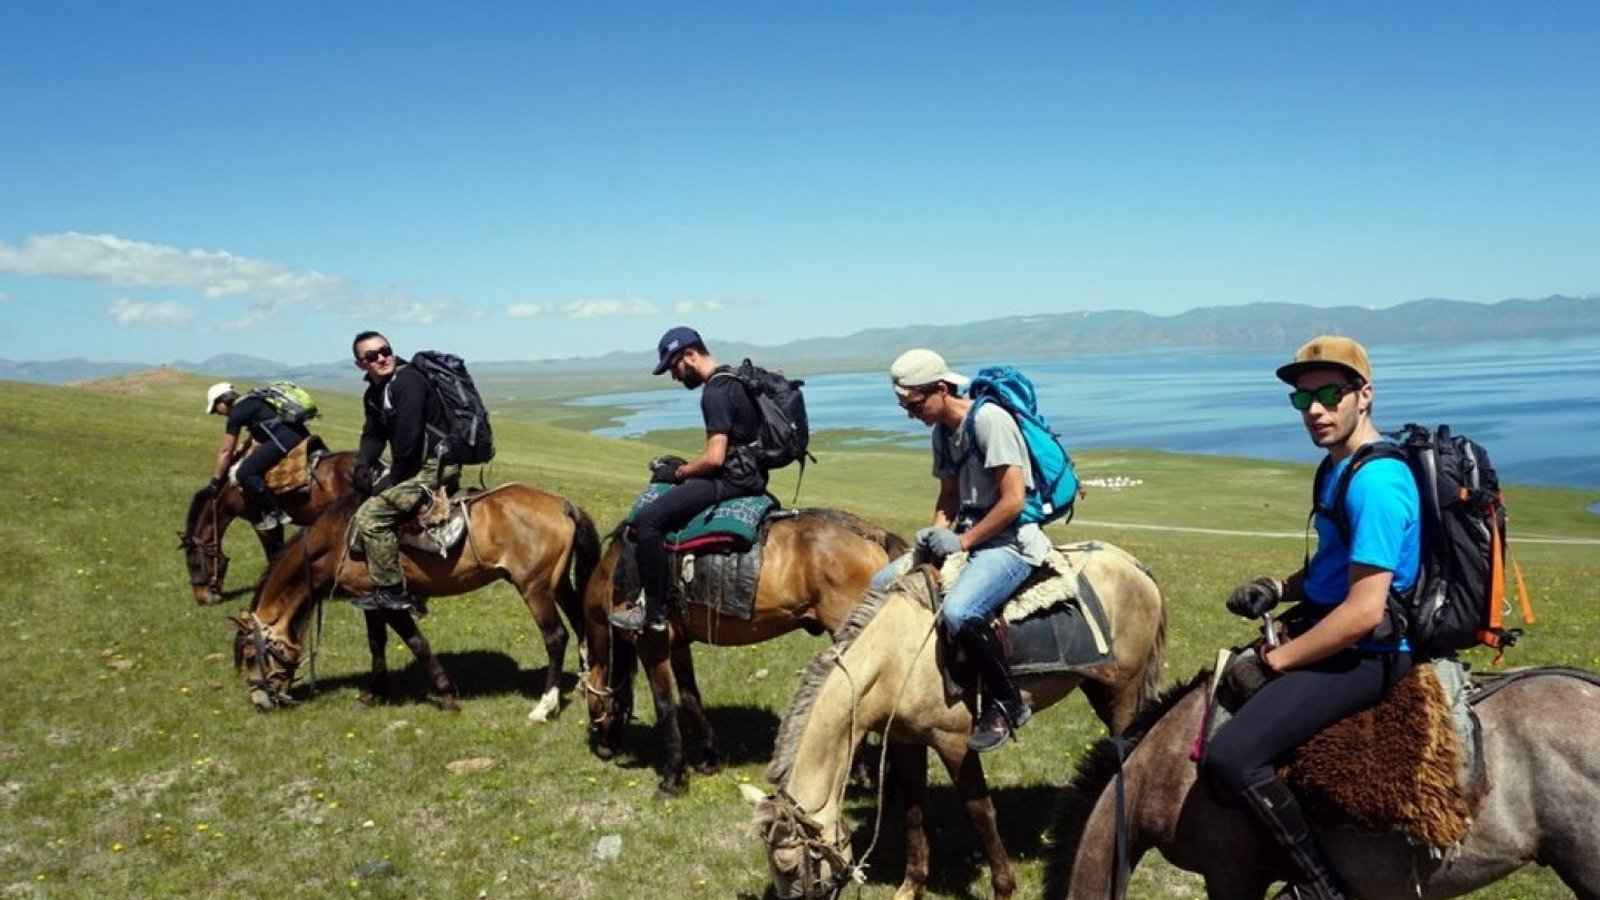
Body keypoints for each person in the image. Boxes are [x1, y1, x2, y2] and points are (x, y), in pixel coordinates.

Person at [1200, 335, 1420, 900]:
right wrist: (1277, 587)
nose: (1316, 411)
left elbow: (1365, 612)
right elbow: (1331, 569)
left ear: (1364, 395)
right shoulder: (1336, 469)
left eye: (1329, 394)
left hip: (1368, 655)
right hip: (1334, 627)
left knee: (1230, 756)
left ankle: (1319, 887)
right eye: (1303, 400)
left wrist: (1280, 660)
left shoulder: (1375, 482)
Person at [889, 348, 1050, 753]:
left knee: (961, 611)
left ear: (940, 389)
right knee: (883, 582)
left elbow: (1013, 501)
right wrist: (934, 535)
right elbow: (948, 496)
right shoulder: (942, 432)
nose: (910, 414)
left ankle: (1008, 702)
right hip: (970, 532)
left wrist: (961, 542)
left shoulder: (990, 422)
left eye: (914, 403)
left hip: (1011, 541)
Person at [608, 326, 768, 633]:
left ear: (690, 355)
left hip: (732, 480)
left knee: (649, 522)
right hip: (752, 474)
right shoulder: (737, 380)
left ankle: (653, 613)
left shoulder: (715, 392)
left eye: (674, 367)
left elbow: (715, 458)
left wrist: (678, 472)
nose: (675, 376)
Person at [349, 331, 458, 615]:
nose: (382, 358)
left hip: (436, 464)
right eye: (372, 356)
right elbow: (373, 435)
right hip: (415, 463)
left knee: (370, 516)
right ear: (361, 364)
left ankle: (392, 591)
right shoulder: (374, 393)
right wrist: (362, 463)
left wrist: (391, 480)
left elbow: (408, 440)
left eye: (385, 350)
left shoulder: (408, 382)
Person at [203, 381, 307, 531]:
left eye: (215, 408)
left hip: (283, 440)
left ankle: (275, 513)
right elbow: (257, 431)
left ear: (223, 401)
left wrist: (215, 481)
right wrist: (240, 451)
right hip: (299, 433)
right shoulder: (251, 401)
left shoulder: (237, 413)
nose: (217, 413)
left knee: (244, 474)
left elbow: (225, 451)